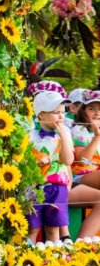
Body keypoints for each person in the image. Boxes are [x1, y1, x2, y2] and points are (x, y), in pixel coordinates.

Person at [27, 91, 73, 243]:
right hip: (34, 186)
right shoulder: (30, 135)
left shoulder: (65, 133)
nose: (61, 117)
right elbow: (23, 161)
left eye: (62, 112)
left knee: (53, 228)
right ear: (41, 115)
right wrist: (37, 162)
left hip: (57, 187)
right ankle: (27, 257)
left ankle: (53, 262)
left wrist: (64, 136)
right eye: (56, 113)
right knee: (32, 227)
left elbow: (68, 160)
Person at [71, 90, 100, 189]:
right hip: (81, 175)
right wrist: (97, 137)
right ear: (83, 112)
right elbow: (83, 161)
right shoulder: (80, 130)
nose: (97, 113)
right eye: (92, 109)